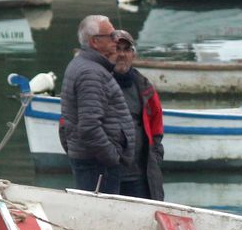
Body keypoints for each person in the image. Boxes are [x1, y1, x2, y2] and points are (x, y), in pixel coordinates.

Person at [58, 14, 136, 193]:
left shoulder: (86, 66)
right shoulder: (90, 73)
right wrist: (112, 157)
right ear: (94, 42)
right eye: (110, 35)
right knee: (101, 217)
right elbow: (89, 126)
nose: (115, 40)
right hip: (98, 166)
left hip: (94, 162)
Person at [111, 28, 165, 200]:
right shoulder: (97, 81)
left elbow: (156, 127)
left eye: (126, 50)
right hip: (107, 173)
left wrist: (155, 157)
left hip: (139, 177)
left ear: (133, 55)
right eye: (117, 49)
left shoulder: (144, 86)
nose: (121, 54)